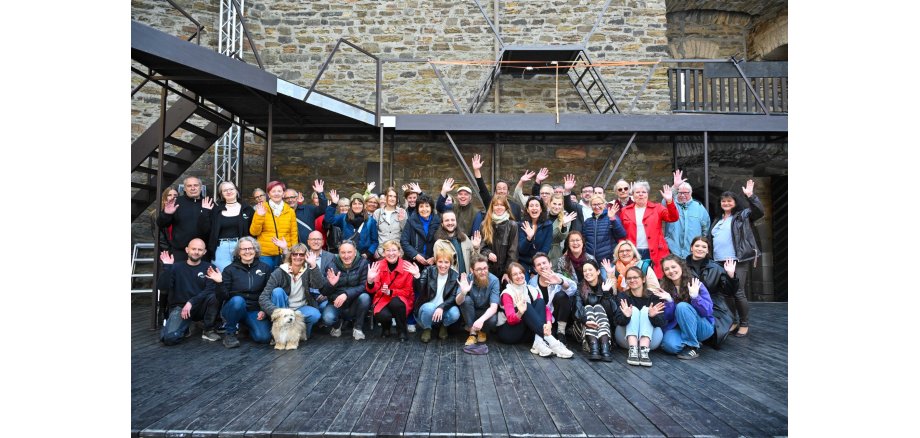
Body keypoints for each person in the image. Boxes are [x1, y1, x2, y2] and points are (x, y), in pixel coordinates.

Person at [710, 180, 764, 338]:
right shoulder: (718, 220)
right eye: (723, 201)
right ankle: (732, 321)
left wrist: (751, 196)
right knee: (726, 294)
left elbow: (759, 211)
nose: (726, 203)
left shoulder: (742, 216)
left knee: (738, 292)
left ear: (735, 203)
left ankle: (744, 323)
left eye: (729, 201)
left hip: (736, 260)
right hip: (719, 260)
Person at [496, 263, 574, 358]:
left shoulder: (531, 289)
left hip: (525, 333)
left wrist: (548, 323)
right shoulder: (507, 293)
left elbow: (545, 310)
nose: (519, 276)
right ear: (510, 277)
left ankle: (538, 342)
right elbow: (511, 320)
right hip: (508, 333)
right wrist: (520, 312)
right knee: (526, 306)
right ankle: (554, 344)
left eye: (520, 273)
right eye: (515, 274)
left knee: (540, 302)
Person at [157, 238, 221, 345]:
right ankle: (184, 327)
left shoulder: (210, 268)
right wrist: (167, 267)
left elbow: (210, 290)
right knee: (169, 339)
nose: (196, 252)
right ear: (187, 250)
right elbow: (163, 287)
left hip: (201, 306)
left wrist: (191, 302)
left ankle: (208, 329)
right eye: (193, 249)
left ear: (204, 252)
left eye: (200, 250)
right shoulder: (176, 267)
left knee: (215, 296)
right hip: (181, 308)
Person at [212, 236, 272, 348]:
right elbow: (222, 297)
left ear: (256, 250)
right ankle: (230, 333)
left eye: (250, 248)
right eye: (243, 249)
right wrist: (219, 283)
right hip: (234, 308)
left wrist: (264, 310)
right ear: (238, 252)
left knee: (263, 338)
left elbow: (268, 293)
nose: (247, 251)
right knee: (238, 301)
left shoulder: (265, 268)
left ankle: (246, 325)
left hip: (254, 310)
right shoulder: (230, 270)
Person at [259, 243, 324, 341]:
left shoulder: (308, 270)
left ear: (306, 256)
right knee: (277, 292)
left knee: (315, 315)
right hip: (283, 309)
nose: (298, 257)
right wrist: (277, 312)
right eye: (295, 254)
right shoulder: (279, 272)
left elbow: (319, 285)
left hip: (300, 308)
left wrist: (313, 265)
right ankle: (279, 334)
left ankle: (300, 333)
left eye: (301, 254)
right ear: (290, 255)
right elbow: (263, 297)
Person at [619, 181, 679, 278]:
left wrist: (669, 201)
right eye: (637, 192)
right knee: (635, 277)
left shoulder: (657, 208)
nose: (641, 194)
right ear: (632, 195)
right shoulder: (625, 210)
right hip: (633, 251)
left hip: (655, 250)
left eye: (644, 192)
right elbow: (621, 231)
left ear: (647, 194)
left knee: (655, 278)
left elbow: (673, 217)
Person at [659, 255, 714, 360]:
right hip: (678, 328)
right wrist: (669, 301)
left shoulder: (695, 284)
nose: (671, 271)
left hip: (701, 327)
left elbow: (708, 311)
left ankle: (692, 345)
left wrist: (695, 297)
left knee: (682, 307)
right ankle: (691, 340)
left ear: (681, 266)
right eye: (667, 269)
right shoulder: (664, 289)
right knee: (669, 346)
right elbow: (667, 317)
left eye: (673, 267)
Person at [612, 266, 667, 367]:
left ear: (643, 279)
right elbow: (618, 321)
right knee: (634, 310)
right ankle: (633, 350)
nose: (632, 280)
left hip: (651, 341)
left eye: (635, 277)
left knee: (646, 310)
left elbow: (662, 323)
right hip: (626, 340)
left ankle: (644, 351)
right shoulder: (623, 296)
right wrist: (627, 316)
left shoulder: (653, 297)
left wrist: (652, 316)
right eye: (629, 278)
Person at [320, 240, 371, 340]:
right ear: (339, 253)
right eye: (343, 252)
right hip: (336, 303)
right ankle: (337, 324)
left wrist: (346, 294)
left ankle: (358, 327)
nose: (346, 256)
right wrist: (331, 285)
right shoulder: (331, 265)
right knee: (327, 319)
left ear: (355, 252)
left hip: (354, 302)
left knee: (365, 297)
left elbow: (363, 286)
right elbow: (324, 292)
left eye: (349, 252)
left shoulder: (363, 263)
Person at [411, 243, 462, 343]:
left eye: (446, 262)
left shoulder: (455, 276)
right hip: (426, 311)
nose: (443, 265)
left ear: (450, 263)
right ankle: (427, 328)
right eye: (440, 262)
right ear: (436, 262)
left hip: (443, 310)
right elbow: (420, 290)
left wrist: (441, 307)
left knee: (455, 313)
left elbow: (453, 298)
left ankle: (444, 326)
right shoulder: (428, 271)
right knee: (429, 307)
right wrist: (417, 276)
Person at [367, 240, 416, 342]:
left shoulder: (407, 266)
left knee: (396, 302)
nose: (391, 253)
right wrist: (370, 281)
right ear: (384, 253)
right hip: (382, 299)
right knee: (381, 315)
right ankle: (386, 327)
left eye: (394, 250)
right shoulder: (378, 265)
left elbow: (408, 291)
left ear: (399, 252)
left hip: (402, 299)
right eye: (388, 250)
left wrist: (391, 292)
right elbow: (373, 289)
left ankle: (402, 330)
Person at [200, 181, 253, 271]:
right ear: (221, 194)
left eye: (231, 189)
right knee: (222, 276)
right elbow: (205, 230)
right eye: (225, 190)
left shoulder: (247, 209)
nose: (228, 192)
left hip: (241, 247)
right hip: (221, 249)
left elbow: (253, 231)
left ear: (236, 191)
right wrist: (205, 212)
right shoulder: (216, 210)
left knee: (240, 276)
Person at [571, 259, 616, 361]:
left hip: (603, 328)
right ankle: (594, 345)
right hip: (583, 327)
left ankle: (604, 345)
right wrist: (585, 320)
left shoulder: (606, 286)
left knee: (598, 307)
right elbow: (576, 310)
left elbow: (611, 312)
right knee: (588, 307)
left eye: (590, 270)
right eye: (585, 271)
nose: (587, 273)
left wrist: (606, 293)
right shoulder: (580, 288)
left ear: (598, 271)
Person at [528, 252, 577, 343]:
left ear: (550, 264)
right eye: (539, 265)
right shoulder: (532, 283)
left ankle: (561, 332)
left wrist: (561, 282)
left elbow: (573, 289)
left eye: (544, 263)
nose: (542, 266)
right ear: (535, 269)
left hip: (558, 316)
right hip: (543, 319)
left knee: (562, 295)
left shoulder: (557, 277)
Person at [157, 176, 208, 263]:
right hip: (180, 252)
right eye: (189, 186)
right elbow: (161, 224)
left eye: (195, 185)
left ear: (200, 187)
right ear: (184, 188)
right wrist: (166, 214)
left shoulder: (208, 202)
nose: (193, 188)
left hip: (202, 253)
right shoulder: (176, 202)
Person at [250, 180, 298, 271]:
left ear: (283, 193)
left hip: (285, 252)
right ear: (268, 194)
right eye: (273, 191)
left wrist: (292, 251)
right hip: (265, 254)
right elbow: (254, 232)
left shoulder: (290, 211)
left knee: (284, 279)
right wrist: (259, 216)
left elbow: (293, 233)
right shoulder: (261, 208)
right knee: (266, 280)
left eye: (279, 191)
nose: (276, 194)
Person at [665, 171, 710, 258]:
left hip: (692, 252)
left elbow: (705, 227)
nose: (683, 195)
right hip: (673, 249)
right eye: (680, 192)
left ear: (691, 193)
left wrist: (699, 242)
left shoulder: (699, 207)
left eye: (686, 193)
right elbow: (665, 201)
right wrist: (675, 187)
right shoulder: (670, 204)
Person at [457, 255, 500, 346]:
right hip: (470, 312)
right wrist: (463, 293)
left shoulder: (494, 280)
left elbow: (494, 307)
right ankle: (472, 332)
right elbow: (458, 302)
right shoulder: (467, 279)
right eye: (479, 269)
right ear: (472, 270)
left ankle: (482, 331)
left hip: (485, 312)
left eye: (485, 268)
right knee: (466, 299)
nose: (483, 272)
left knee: (493, 320)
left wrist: (481, 320)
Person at [325, 190, 378, 259]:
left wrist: (368, 254)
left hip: (363, 258)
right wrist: (334, 204)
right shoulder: (343, 218)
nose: (357, 206)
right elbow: (329, 219)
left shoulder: (370, 221)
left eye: (359, 203)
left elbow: (375, 241)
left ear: (364, 205)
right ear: (351, 205)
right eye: (354, 204)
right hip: (346, 257)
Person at [478, 195, 518, 283]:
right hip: (488, 268)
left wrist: (507, 271)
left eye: (501, 205)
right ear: (492, 207)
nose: (499, 207)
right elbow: (482, 246)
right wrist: (488, 253)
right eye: (496, 205)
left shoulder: (512, 225)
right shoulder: (484, 224)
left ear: (506, 207)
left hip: (505, 270)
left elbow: (513, 251)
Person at [471, 153, 521, 219]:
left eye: (504, 188)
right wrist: (476, 170)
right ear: (495, 191)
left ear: (508, 192)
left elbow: (518, 224)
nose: (502, 191)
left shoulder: (516, 206)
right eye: (499, 188)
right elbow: (482, 188)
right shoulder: (490, 202)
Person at [582, 194, 627, 264]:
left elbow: (622, 234)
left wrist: (612, 219)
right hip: (591, 261)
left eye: (599, 204)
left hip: (607, 261)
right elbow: (583, 240)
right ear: (591, 206)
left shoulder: (612, 217)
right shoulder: (588, 221)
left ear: (604, 205)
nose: (597, 207)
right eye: (594, 204)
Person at [401, 194, 441, 269]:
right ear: (417, 208)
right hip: (413, 262)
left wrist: (434, 257)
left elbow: (442, 243)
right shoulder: (411, 221)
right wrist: (415, 255)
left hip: (432, 263)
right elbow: (404, 241)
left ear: (431, 208)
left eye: (427, 206)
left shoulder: (438, 221)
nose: (424, 209)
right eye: (421, 206)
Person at [517, 196, 554, 279]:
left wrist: (535, 269)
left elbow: (546, 248)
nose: (534, 208)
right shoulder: (521, 225)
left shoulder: (548, 225)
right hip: (524, 264)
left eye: (537, 205)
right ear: (527, 209)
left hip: (539, 264)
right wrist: (528, 238)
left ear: (541, 209)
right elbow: (521, 250)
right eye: (531, 206)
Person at [434, 210, 479, 274]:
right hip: (451, 282)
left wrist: (476, 248)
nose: (450, 223)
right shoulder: (439, 244)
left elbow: (474, 259)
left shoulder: (465, 238)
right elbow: (441, 267)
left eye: (452, 220)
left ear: (456, 222)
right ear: (442, 224)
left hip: (467, 280)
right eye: (447, 220)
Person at [287, 180, 327, 246]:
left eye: (292, 197)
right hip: (291, 249)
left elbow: (323, 209)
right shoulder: (281, 213)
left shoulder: (308, 209)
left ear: (297, 198)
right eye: (287, 198)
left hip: (308, 248)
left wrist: (320, 193)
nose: (290, 200)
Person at [372, 186, 408, 259]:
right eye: (390, 196)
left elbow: (407, 234)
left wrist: (402, 221)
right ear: (385, 197)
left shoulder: (402, 212)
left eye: (395, 196)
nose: (392, 198)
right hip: (381, 253)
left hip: (398, 254)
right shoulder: (377, 213)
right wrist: (374, 251)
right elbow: (373, 234)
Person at [305, 230, 334, 313]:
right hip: (307, 295)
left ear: (322, 242)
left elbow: (333, 278)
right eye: (313, 239)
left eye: (318, 239)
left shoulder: (331, 257)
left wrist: (326, 294)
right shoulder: (302, 257)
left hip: (324, 295)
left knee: (326, 312)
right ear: (308, 242)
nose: (316, 241)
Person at [547, 193, 579, 262]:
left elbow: (561, 238)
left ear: (562, 205)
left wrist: (564, 226)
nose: (557, 207)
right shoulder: (543, 216)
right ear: (550, 203)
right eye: (554, 204)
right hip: (541, 249)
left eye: (559, 204)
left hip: (555, 252)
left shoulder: (565, 218)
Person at [150, 186, 177, 252]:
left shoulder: (181, 211)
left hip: (180, 250)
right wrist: (169, 252)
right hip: (166, 252)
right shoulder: (156, 214)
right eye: (169, 195)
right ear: (165, 197)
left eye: (175, 195)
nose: (173, 197)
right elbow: (159, 237)